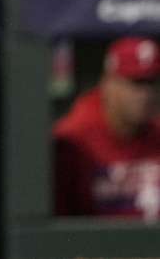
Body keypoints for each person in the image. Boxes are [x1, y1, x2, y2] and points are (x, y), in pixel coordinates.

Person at [54, 36, 160, 219]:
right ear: (108, 83)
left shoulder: (156, 132)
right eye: (135, 82)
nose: (146, 94)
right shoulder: (74, 140)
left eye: (151, 83)